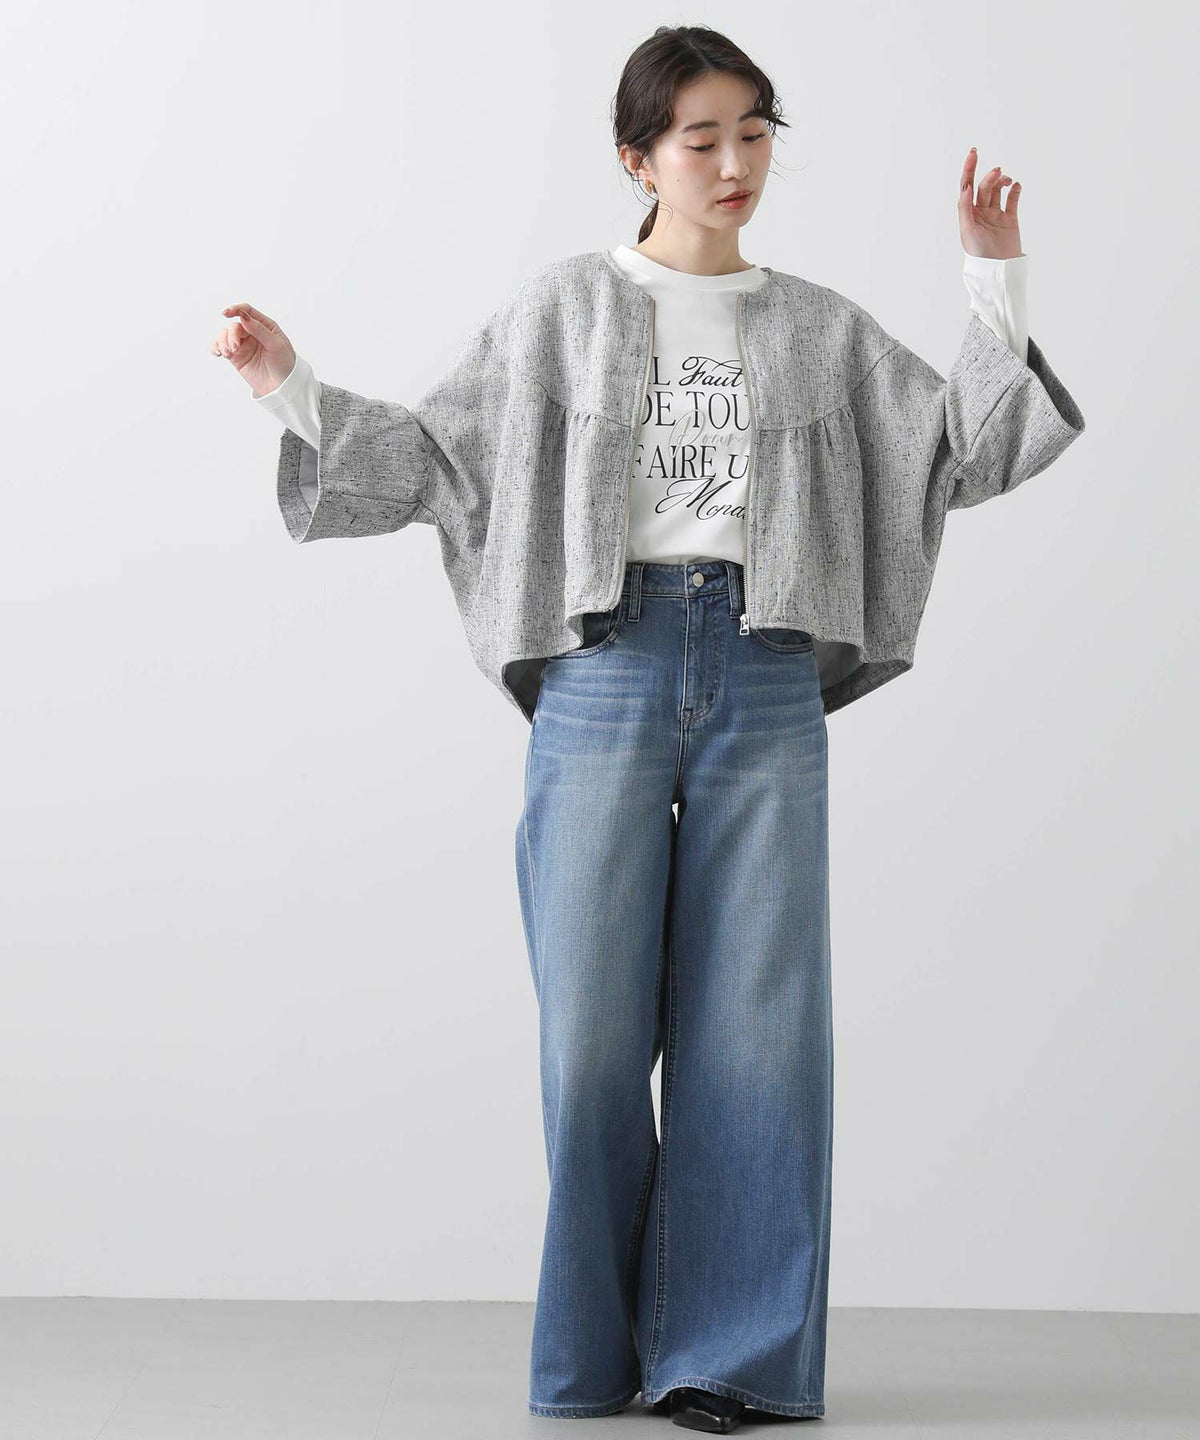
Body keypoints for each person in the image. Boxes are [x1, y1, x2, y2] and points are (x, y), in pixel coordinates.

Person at [212, 26, 1083, 1433]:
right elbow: (437, 457)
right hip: (603, 670)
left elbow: (963, 452)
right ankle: (589, 1354)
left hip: (764, 668)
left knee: (760, 1032)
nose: (735, 163)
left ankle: (727, 1360)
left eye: (756, 133)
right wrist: (291, 387)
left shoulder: (818, 327)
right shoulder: (562, 310)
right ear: (638, 159)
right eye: (701, 139)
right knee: (592, 1041)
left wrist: (993, 274)